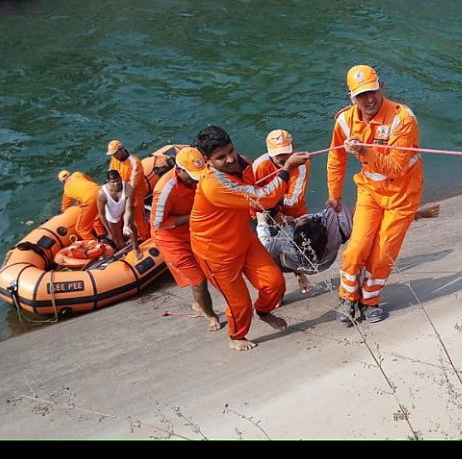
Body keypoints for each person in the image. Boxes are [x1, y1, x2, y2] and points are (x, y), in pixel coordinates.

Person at [189, 125, 309, 351]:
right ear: (207, 160)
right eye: (221, 157)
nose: (230, 159)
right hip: (216, 252)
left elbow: (255, 193)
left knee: (274, 283)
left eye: (230, 151)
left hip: (242, 237)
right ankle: (236, 336)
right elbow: (264, 197)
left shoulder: (243, 162)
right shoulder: (213, 185)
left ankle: (263, 311)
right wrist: (288, 168)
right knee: (239, 303)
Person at [326, 64, 423, 325]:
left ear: (382, 87)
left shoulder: (403, 119)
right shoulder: (345, 121)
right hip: (370, 189)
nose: (369, 99)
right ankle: (347, 297)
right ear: (352, 98)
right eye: (361, 95)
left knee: (383, 253)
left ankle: (370, 300)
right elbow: (336, 158)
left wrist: (364, 152)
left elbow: (397, 168)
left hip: (402, 193)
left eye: (372, 92)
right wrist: (334, 195)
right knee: (357, 247)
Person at [256, 202, 441, 294]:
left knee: (270, 254)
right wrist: (415, 214)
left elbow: (264, 243)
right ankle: (300, 275)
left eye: (299, 221)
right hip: (323, 263)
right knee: (364, 215)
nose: (299, 218)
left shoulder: (287, 242)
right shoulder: (339, 230)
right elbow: (380, 224)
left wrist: (261, 220)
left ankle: (283, 290)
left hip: (291, 262)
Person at [150, 147, 220, 332]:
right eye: (191, 176)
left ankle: (199, 303)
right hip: (170, 239)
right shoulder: (164, 190)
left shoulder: (202, 176)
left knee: (211, 269)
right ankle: (210, 315)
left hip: (193, 230)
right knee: (199, 280)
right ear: (179, 170)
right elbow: (159, 223)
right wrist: (193, 216)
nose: (195, 180)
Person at [251, 129, 311, 227]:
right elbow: (251, 197)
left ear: (292, 149)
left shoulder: (302, 164)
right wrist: (274, 213)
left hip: (293, 214)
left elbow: (294, 200)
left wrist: (268, 197)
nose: (280, 158)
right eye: (277, 154)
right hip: (263, 214)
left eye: (284, 153)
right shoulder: (259, 165)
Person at [106, 139, 150, 241]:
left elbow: (133, 184)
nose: (113, 156)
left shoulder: (134, 163)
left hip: (135, 195)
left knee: (139, 220)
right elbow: (111, 172)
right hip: (121, 192)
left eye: (115, 153)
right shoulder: (114, 159)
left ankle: (145, 237)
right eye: (112, 154)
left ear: (121, 150)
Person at [96, 170, 142, 259]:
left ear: (121, 179)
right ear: (108, 182)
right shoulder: (102, 194)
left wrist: (125, 225)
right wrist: (108, 231)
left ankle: (136, 247)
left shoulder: (128, 189)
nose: (116, 184)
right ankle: (123, 249)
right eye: (113, 182)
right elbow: (102, 214)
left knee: (131, 226)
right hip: (112, 214)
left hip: (125, 209)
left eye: (118, 180)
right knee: (116, 235)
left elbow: (128, 209)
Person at [58, 169, 100, 241]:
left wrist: (62, 213)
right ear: (70, 174)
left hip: (90, 200)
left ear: (63, 182)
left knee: (81, 229)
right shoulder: (78, 174)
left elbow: (65, 206)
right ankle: (102, 234)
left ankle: (98, 245)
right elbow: (91, 182)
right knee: (96, 218)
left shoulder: (66, 190)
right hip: (100, 191)